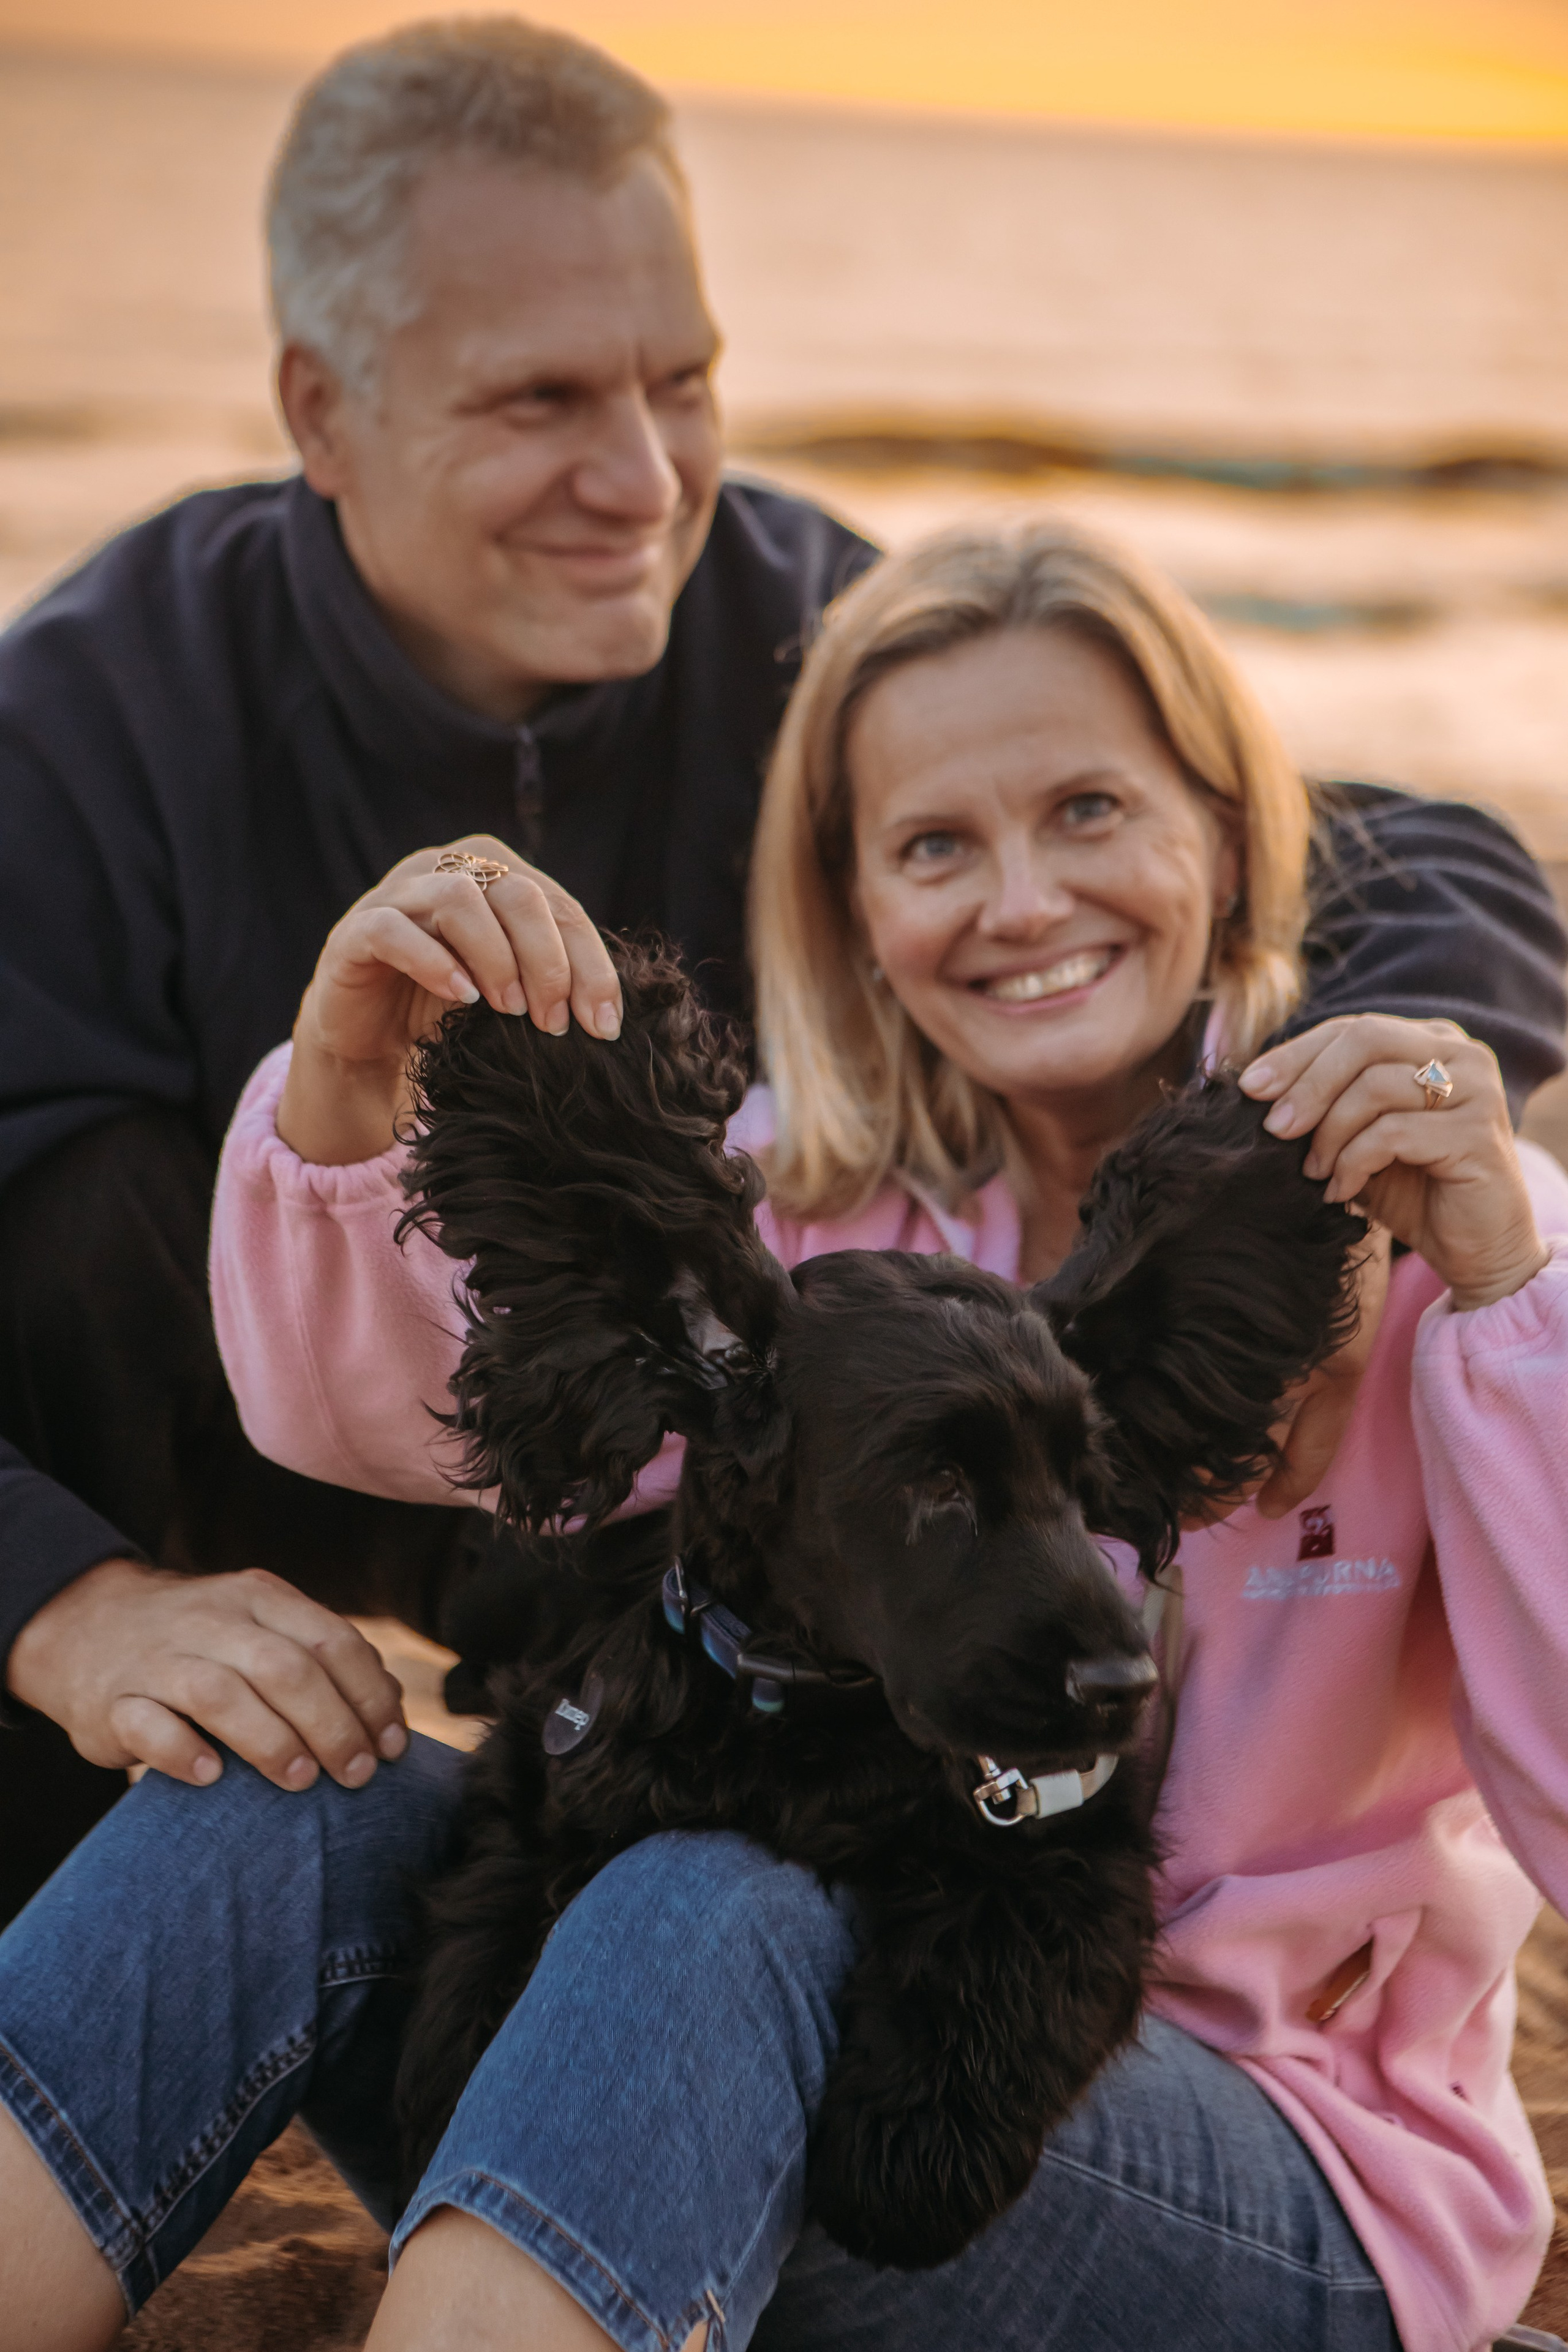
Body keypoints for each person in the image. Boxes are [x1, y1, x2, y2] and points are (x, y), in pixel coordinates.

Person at [0, 25, 1560, 1907]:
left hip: (641, 1536)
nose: (645, 478)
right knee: (74, 1207)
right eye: (542, 401)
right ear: (322, 413)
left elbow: (1380, 852)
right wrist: (65, 1603)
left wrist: (1326, 1183)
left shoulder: (803, 625)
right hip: (213, 1449)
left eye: (684, 383)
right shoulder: (92, 714)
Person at [4, 519, 1566, 2352]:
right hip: (751, 2078)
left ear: (1225, 835)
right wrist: (352, 1086)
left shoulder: (1450, 1238)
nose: (1020, 900)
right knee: (264, 1823)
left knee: (704, 1903)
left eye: (1088, 811)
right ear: (856, 914)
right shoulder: (825, 1220)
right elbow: (404, 1414)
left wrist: (1512, 1298)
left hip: (1267, 2170)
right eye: (933, 846)